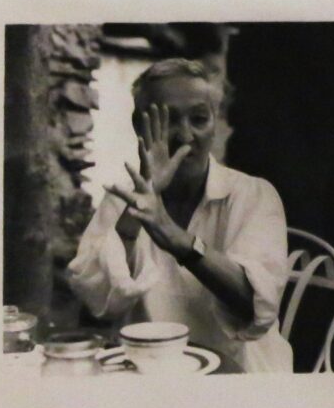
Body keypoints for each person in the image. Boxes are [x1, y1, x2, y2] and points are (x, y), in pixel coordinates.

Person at [64, 58, 294, 373]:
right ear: (138, 125)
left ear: (216, 121)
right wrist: (133, 217)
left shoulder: (253, 195)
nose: (185, 136)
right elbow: (95, 308)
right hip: (149, 377)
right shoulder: (121, 200)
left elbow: (255, 305)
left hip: (240, 377)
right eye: (168, 120)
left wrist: (177, 238)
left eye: (199, 119)